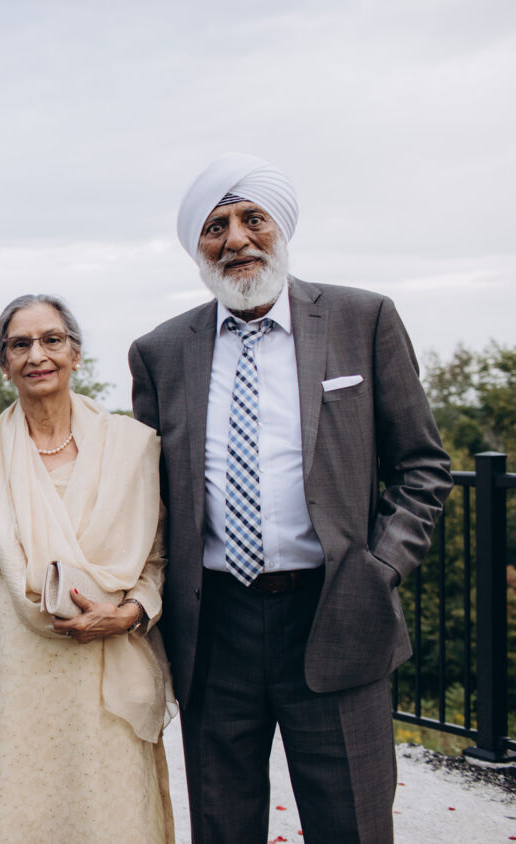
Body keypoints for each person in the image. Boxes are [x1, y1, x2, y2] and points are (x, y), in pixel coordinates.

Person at [128, 153, 452, 843]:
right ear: (196, 246)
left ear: (280, 226)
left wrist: (379, 568)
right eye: (214, 226)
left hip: (336, 612)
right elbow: (146, 497)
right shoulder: (159, 351)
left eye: (253, 219)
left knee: (351, 825)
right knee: (223, 827)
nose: (236, 239)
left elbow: (422, 466)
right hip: (214, 628)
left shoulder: (362, 318)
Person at [0, 294, 175, 843]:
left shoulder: (133, 446)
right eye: (19, 344)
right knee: (7, 814)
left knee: (103, 815)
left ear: (75, 353)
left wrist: (129, 614)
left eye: (52, 340)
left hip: (97, 666)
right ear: (4, 364)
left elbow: (158, 559)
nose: (37, 355)